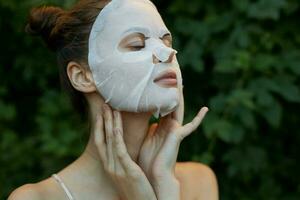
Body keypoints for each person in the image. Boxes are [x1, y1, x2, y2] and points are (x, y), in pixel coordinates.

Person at [8, 0, 218, 199]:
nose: (167, 53)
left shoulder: (197, 183)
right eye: (137, 45)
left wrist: (163, 186)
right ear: (82, 77)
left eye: (166, 41)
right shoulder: (37, 198)